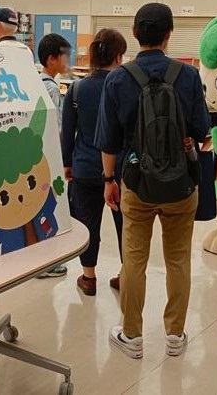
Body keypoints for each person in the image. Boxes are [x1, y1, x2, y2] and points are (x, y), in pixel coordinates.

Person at [94, 3, 210, 358]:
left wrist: (109, 179)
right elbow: (203, 132)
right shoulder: (188, 76)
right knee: (178, 260)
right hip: (181, 185)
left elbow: (108, 141)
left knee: (134, 260)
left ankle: (132, 335)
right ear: (169, 35)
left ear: (134, 34)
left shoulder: (117, 78)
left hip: (137, 183)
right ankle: (175, 335)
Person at [62, 28, 126, 296]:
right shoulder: (125, 87)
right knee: (126, 225)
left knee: (88, 224)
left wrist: (68, 163)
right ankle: (126, 274)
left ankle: (88, 277)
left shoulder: (77, 89)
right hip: (121, 169)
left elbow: (68, 132)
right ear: (118, 56)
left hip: (85, 168)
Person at [35, 33, 72, 278]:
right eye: (64, 56)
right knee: (48, 208)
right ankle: (46, 264)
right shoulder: (51, 89)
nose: (67, 61)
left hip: (36, 156)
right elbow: (56, 128)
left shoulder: (35, 83)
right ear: (51, 59)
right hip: (49, 157)